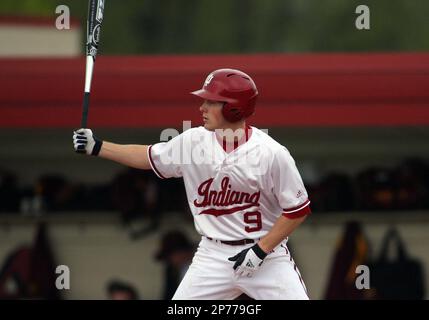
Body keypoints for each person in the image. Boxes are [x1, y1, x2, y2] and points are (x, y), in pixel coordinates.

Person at [73, 68, 311, 299]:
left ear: (234, 109)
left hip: (266, 256)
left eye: (212, 102)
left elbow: (297, 210)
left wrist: (260, 250)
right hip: (213, 254)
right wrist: (97, 146)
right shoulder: (193, 141)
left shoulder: (271, 153)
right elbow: (148, 157)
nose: (202, 107)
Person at [155, 230, 195, 299]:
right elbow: (168, 295)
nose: (170, 260)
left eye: (170, 256)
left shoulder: (204, 266)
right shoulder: (171, 270)